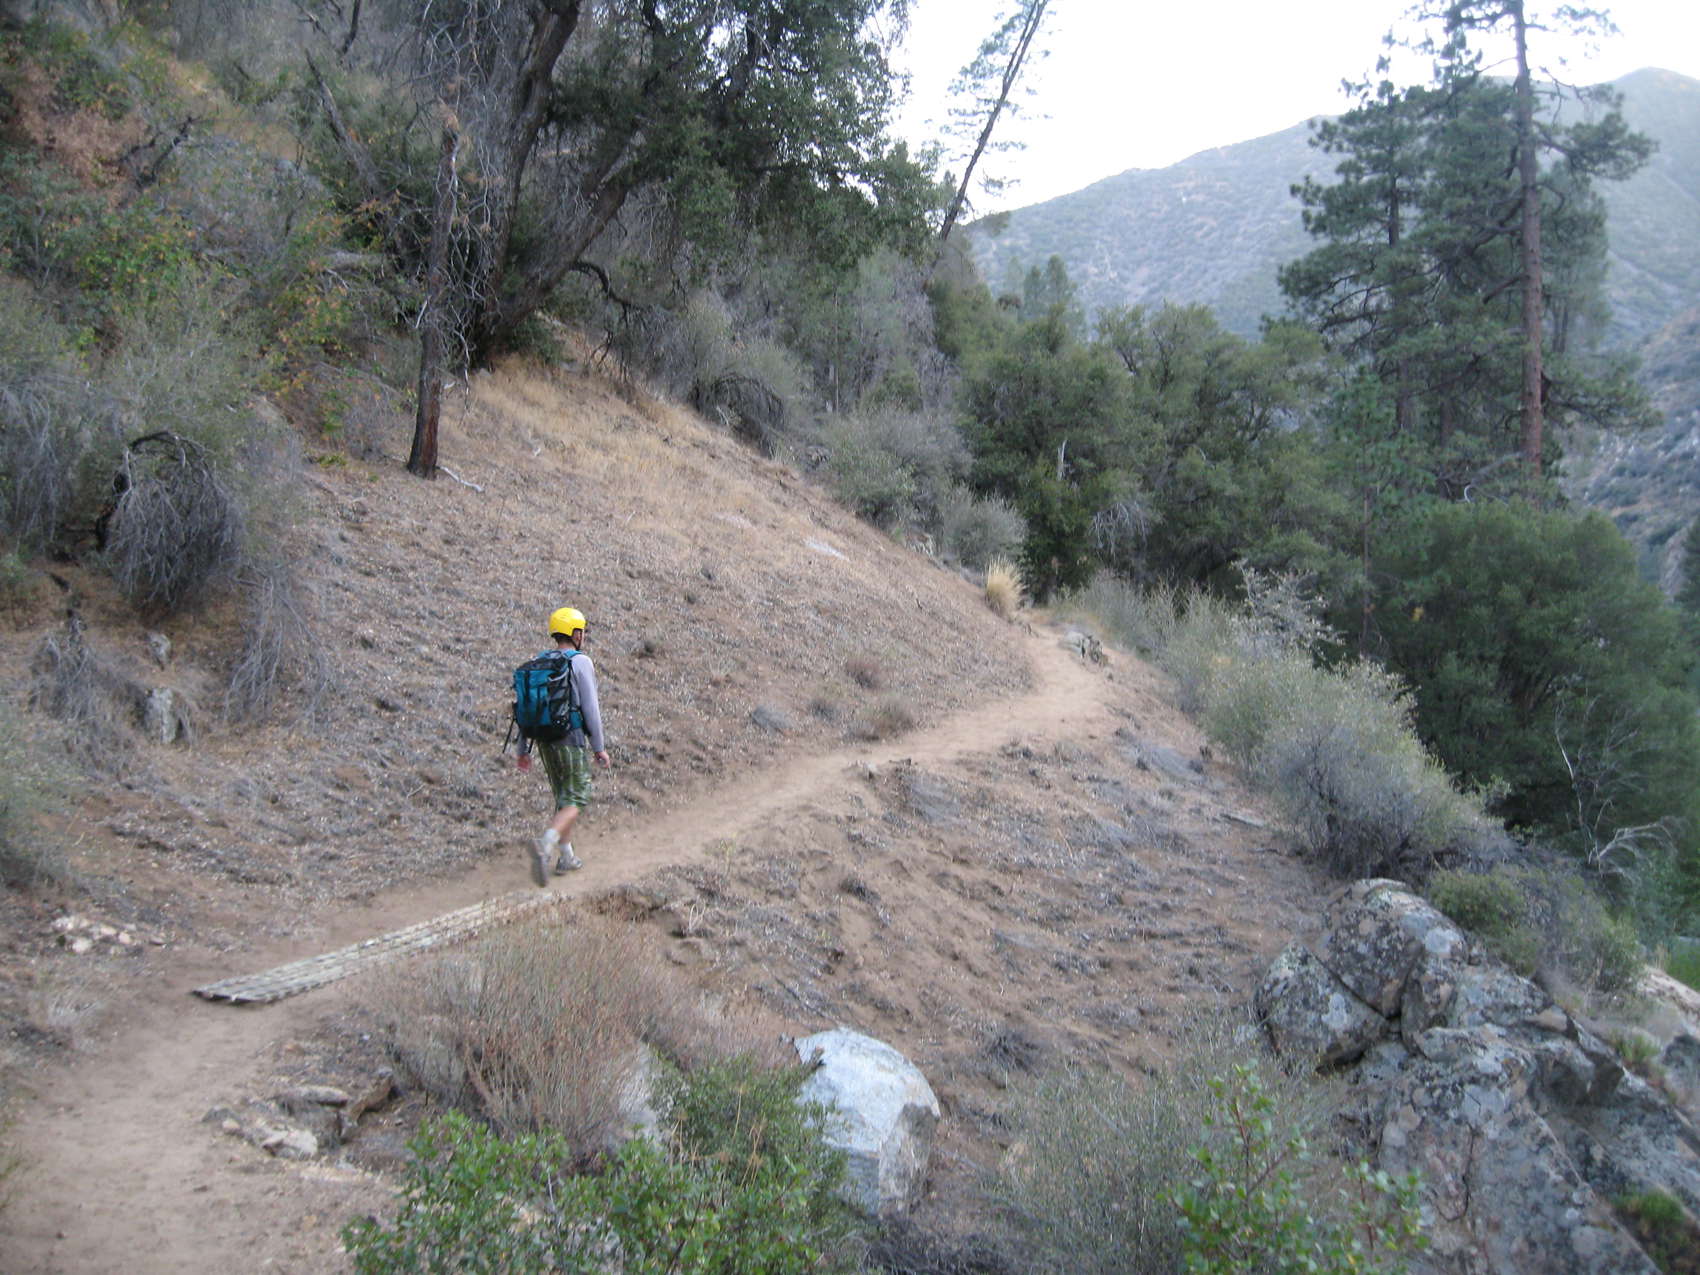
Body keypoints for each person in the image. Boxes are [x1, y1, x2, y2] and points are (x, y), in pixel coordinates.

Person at [516, 606, 610, 886]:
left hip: (544, 741)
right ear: (575, 633)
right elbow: (591, 708)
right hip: (570, 738)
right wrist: (598, 747)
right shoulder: (579, 662)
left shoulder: (539, 662)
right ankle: (545, 844)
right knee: (578, 796)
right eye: (582, 630)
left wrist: (522, 749)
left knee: (563, 798)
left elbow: (524, 707)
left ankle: (566, 856)